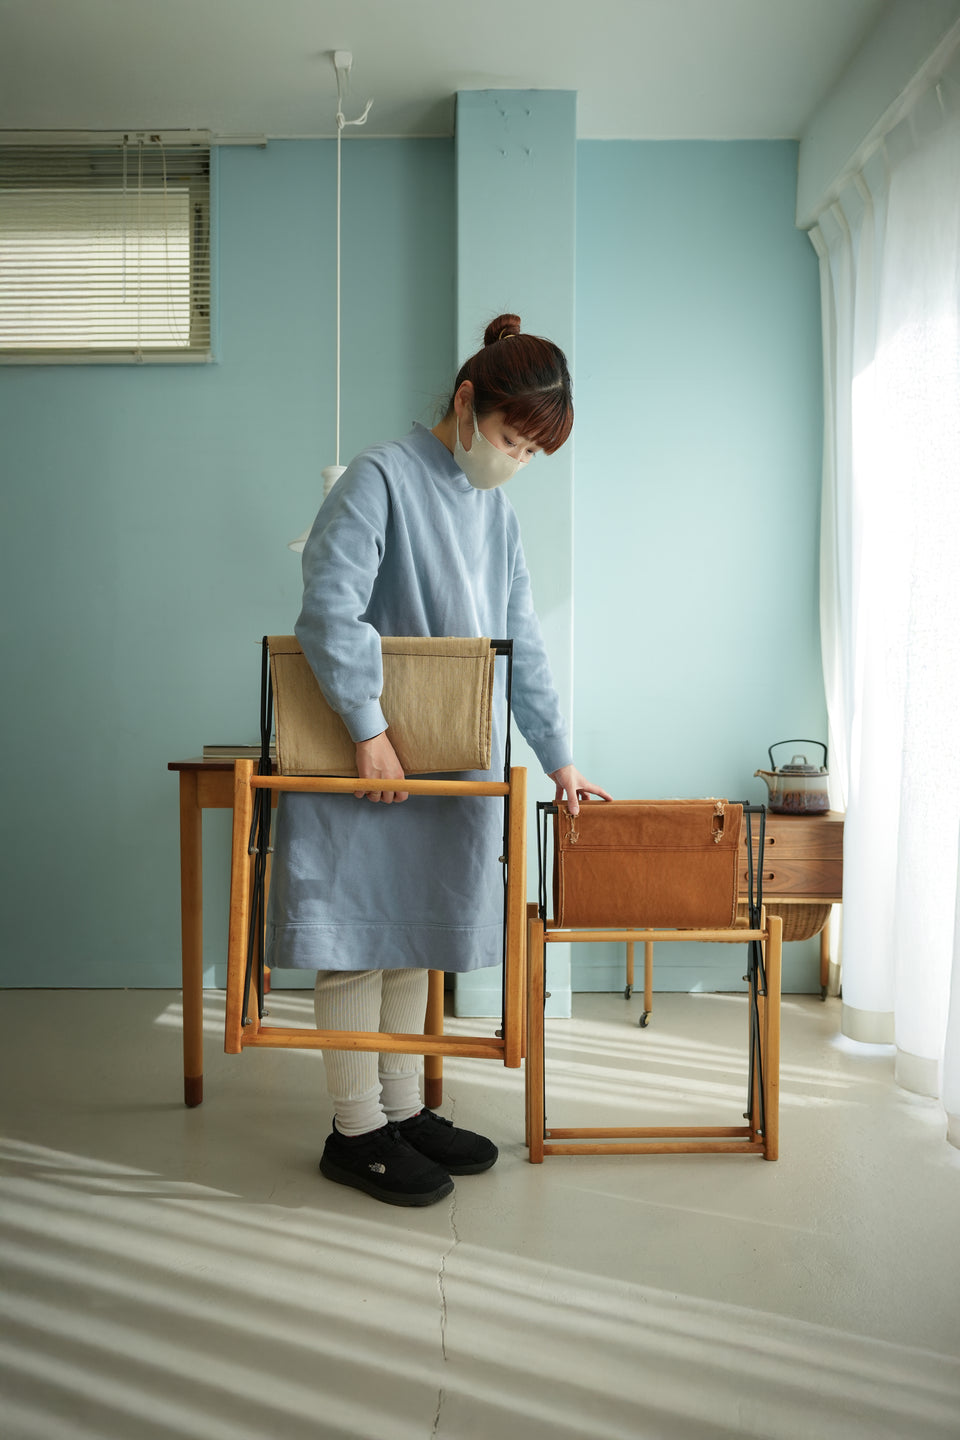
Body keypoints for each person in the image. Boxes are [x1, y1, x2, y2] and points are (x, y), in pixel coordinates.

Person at [266, 313, 611, 1207]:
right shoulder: (382, 476)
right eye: (509, 440)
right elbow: (328, 611)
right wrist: (369, 730)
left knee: (414, 934)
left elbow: (520, 647)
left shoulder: (495, 518)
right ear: (467, 403)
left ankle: (401, 1107)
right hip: (365, 758)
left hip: (449, 763)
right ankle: (354, 1133)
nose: (514, 464)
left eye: (533, 455)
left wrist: (562, 756)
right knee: (357, 940)